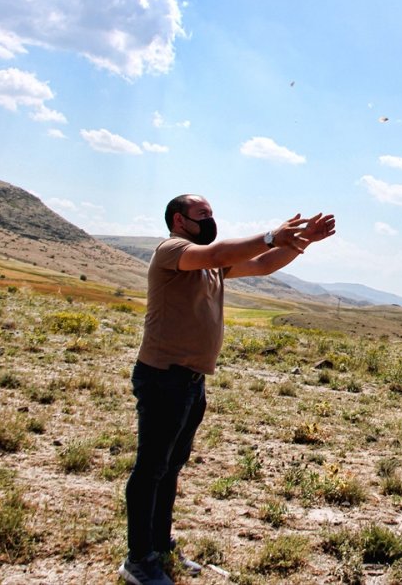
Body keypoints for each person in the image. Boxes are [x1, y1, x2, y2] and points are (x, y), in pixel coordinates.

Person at [119, 194, 336, 585]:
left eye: (212, 214)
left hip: (190, 380)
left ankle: (160, 546)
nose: (211, 220)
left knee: (169, 468)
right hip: (162, 377)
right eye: (203, 214)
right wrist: (272, 234)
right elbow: (219, 251)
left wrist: (301, 243)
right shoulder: (173, 251)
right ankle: (138, 559)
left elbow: (264, 265)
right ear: (179, 220)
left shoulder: (212, 266)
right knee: (151, 469)